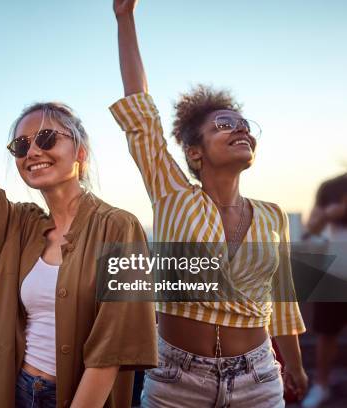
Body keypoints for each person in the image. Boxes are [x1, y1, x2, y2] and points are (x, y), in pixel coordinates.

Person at [0, 1, 157, 407]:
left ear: (80, 153)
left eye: (46, 138)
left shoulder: (121, 228)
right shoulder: (19, 226)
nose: (31, 152)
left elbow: (110, 351)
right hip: (16, 390)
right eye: (21, 145)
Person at [110, 0, 308, 406]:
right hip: (175, 380)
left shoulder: (272, 215)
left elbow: (282, 302)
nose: (240, 129)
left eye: (243, 124)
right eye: (223, 124)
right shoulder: (172, 195)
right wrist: (125, 18)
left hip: (259, 377)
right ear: (195, 152)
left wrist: (296, 367)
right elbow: (141, 114)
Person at [301, 173, 347, 408]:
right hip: (336, 272)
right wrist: (331, 213)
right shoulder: (331, 187)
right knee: (325, 333)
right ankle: (321, 386)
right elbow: (311, 227)